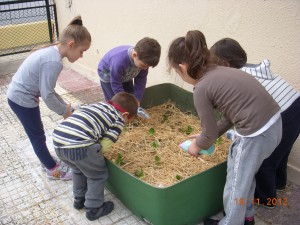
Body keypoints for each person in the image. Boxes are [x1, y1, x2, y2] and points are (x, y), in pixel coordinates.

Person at [167, 30, 282, 225]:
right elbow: (229, 116)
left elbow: (209, 133)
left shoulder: (201, 88)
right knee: (245, 177)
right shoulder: (221, 71)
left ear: (182, 67)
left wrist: (197, 145)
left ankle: (231, 222)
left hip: (255, 134)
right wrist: (205, 135)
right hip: (274, 125)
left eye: (177, 73)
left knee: (235, 183)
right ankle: (247, 217)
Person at [210, 38, 300, 208]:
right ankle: (280, 183)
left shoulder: (238, 80)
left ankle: (265, 199)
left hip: (284, 115)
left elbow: (231, 115)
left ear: (225, 64)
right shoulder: (250, 68)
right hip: (295, 105)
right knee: (282, 152)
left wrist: (212, 133)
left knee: (266, 160)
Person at [6, 16, 91, 180]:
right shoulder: (54, 61)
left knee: (37, 134)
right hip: (22, 99)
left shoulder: (52, 52)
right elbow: (47, 95)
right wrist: (64, 112)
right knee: (37, 136)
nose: (81, 56)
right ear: (71, 44)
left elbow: (49, 91)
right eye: (82, 51)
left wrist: (67, 107)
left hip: (20, 96)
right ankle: (53, 170)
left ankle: (47, 161)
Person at [52, 92, 139, 221]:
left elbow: (78, 114)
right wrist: (96, 155)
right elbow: (105, 145)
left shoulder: (96, 105)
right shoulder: (119, 119)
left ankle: (79, 199)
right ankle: (94, 208)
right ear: (126, 115)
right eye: (130, 120)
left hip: (59, 141)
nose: (127, 123)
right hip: (80, 146)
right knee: (97, 175)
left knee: (78, 169)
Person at [97, 37, 161, 103]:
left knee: (130, 96)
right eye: (143, 66)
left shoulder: (143, 61)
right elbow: (115, 83)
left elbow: (141, 80)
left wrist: (137, 100)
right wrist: (123, 101)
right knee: (114, 100)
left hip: (125, 74)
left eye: (148, 67)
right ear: (134, 55)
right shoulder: (119, 62)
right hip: (108, 76)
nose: (145, 68)